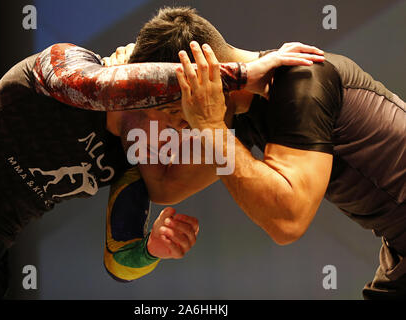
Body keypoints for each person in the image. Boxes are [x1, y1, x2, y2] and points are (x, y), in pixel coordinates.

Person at [0, 35, 323, 298]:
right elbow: (98, 87)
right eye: (173, 112)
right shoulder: (62, 63)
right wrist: (242, 73)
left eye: (186, 122)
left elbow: (118, 261)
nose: (179, 128)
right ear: (141, 87)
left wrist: (151, 248)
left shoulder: (130, 158)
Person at [128, 6, 405, 299]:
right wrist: (121, 95)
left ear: (208, 75)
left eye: (176, 110)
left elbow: (288, 221)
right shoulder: (237, 112)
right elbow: (164, 186)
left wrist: (209, 126)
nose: (177, 127)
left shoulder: (302, 80)